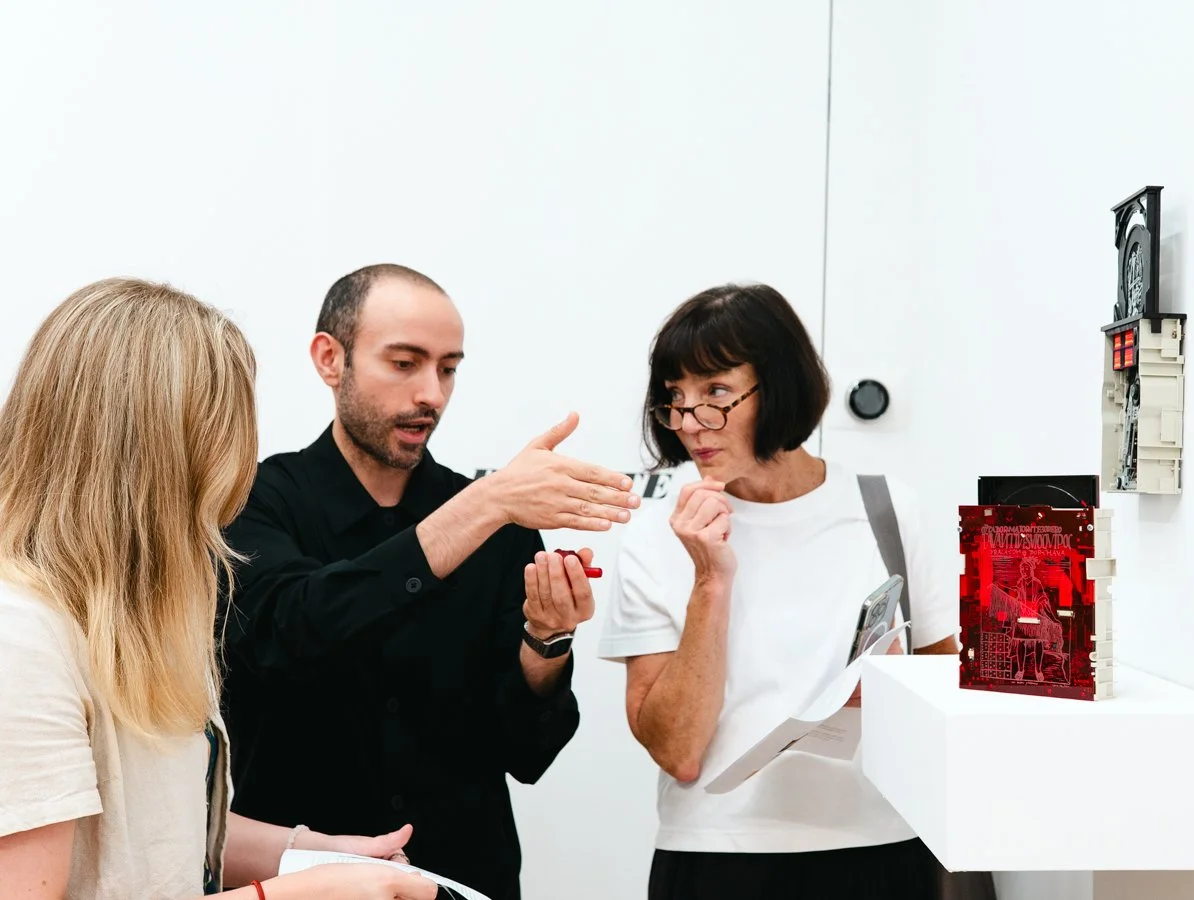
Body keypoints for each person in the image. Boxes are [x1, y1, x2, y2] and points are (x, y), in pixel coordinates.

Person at [0, 278, 437, 899]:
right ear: (157, 454)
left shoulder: (146, 613)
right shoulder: (20, 638)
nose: (237, 465)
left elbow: (155, 834)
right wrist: (291, 895)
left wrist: (311, 855)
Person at [220, 264, 641, 900]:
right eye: (405, 363)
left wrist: (546, 642)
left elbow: (528, 752)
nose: (432, 395)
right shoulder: (256, 501)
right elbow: (291, 631)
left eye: (448, 369)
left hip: (465, 877)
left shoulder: (499, 520)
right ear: (330, 359)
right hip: (301, 883)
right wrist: (485, 504)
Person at [597, 282, 960, 899]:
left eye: (716, 393)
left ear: (781, 384)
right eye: (675, 398)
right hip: (716, 855)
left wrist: (897, 692)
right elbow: (678, 750)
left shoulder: (887, 508)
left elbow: (944, 694)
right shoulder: (658, 531)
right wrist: (710, 580)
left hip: (881, 843)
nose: (690, 423)